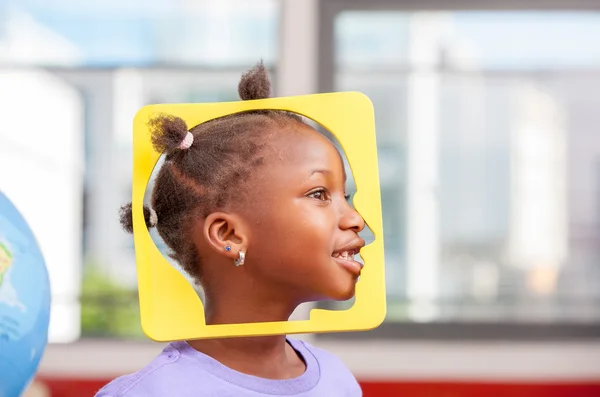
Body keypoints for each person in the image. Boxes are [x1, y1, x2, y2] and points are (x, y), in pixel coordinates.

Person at [95, 62, 366, 397]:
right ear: (228, 235)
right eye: (319, 194)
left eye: (346, 196)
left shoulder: (338, 381)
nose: (356, 219)